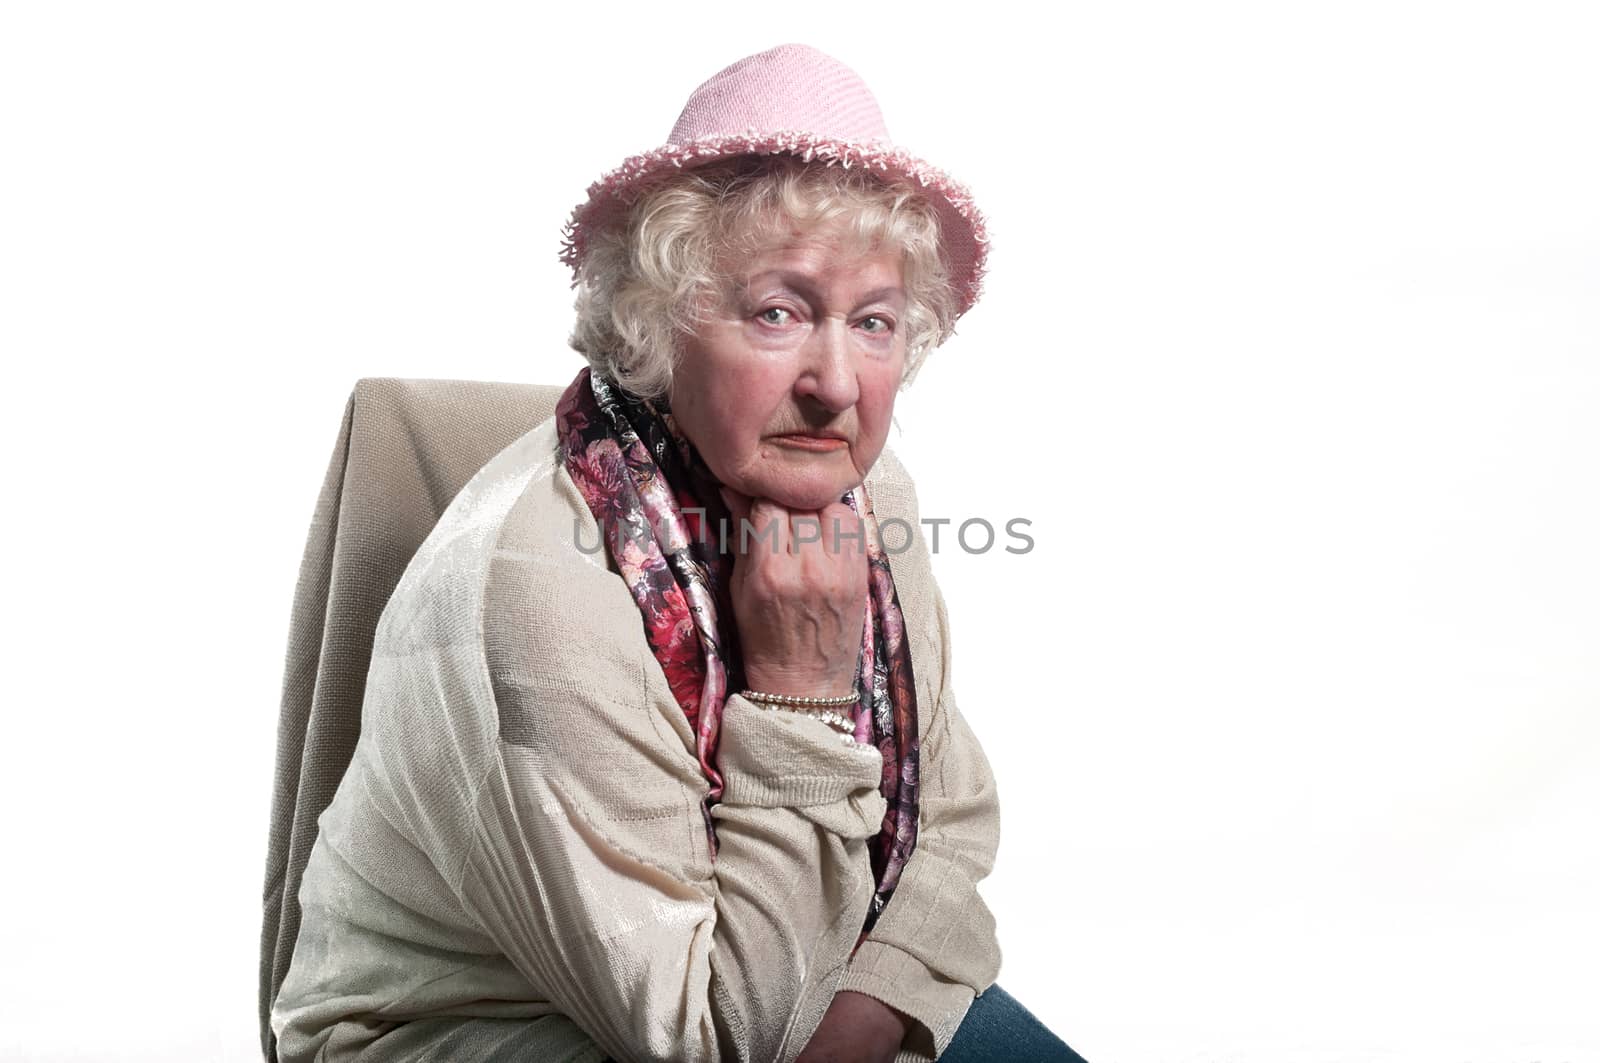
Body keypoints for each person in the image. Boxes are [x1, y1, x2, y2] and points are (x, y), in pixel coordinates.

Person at [270, 43, 1087, 1063]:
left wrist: (870, 1007)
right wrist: (799, 694)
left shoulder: (861, 491)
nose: (836, 382)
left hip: (808, 977)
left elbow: (952, 821)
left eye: (873, 322)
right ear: (658, 321)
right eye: (779, 312)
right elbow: (718, 1042)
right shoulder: (536, 585)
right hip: (479, 1029)